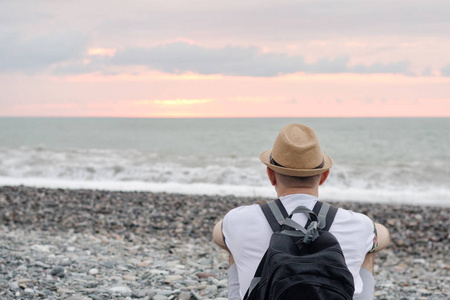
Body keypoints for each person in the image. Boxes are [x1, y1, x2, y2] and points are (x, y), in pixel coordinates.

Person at [213, 123, 390, 300]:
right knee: (368, 250)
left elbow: (217, 235)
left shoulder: (238, 220)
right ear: (324, 176)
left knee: (233, 246)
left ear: (271, 175)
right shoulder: (358, 224)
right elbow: (383, 236)